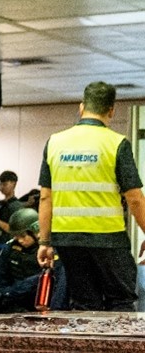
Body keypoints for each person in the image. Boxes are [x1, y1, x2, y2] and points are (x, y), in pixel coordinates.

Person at [37, 81, 145, 311]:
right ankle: (120, 348)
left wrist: (45, 242)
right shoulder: (116, 143)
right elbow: (135, 199)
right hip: (108, 238)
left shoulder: (55, 142)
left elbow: (46, 197)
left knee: (85, 304)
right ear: (111, 110)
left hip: (67, 239)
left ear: (81, 107)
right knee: (121, 300)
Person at [0, 208, 67, 313]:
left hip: (41, 299)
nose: (20, 240)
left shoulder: (50, 250)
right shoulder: (10, 249)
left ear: (35, 231)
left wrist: (5, 293)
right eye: (16, 236)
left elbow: (48, 281)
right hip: (14, 300)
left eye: (23, 236)